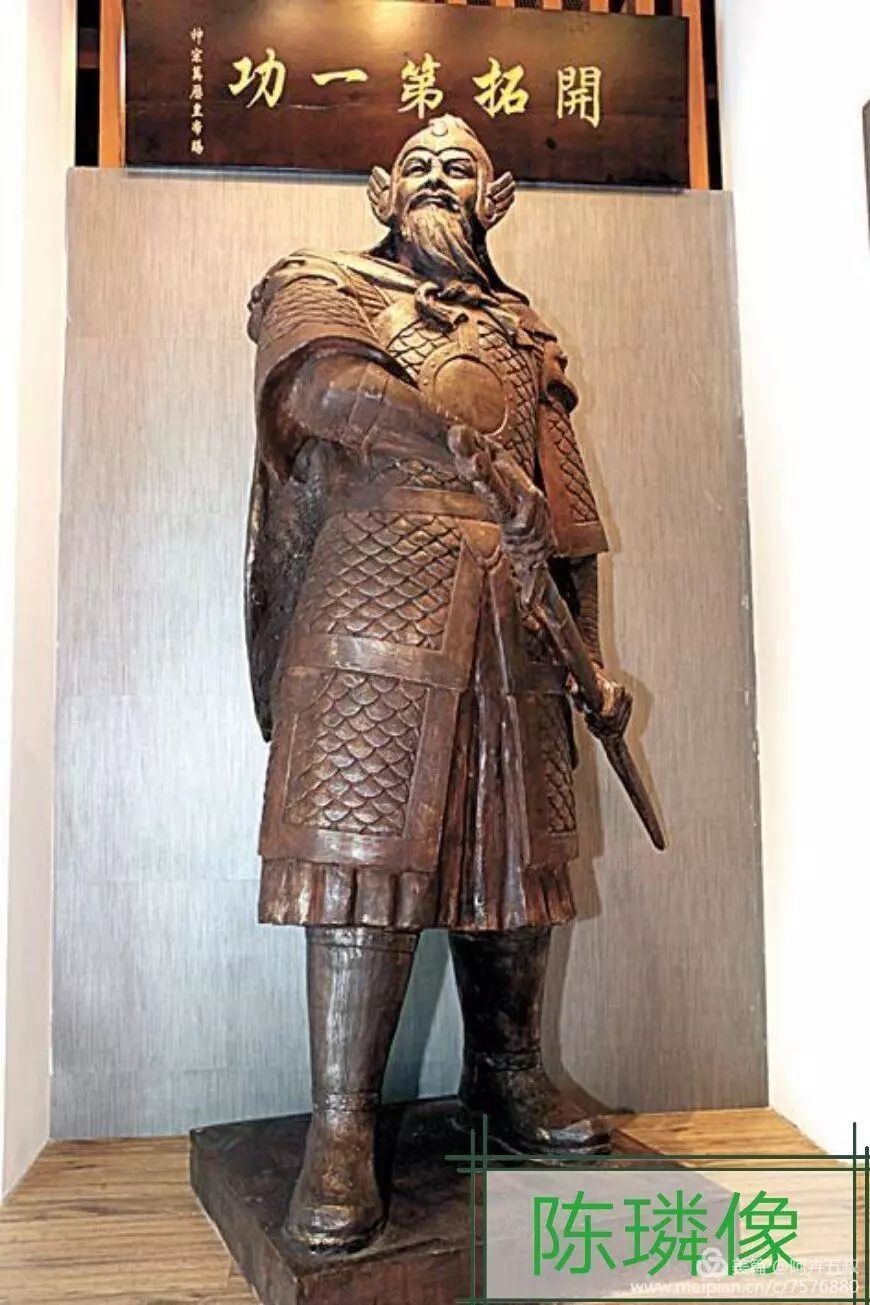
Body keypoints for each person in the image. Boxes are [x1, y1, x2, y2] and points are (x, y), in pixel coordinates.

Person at [245, 115, 630, 1254]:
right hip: (373, 599)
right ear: (380, 190)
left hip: (517, 618)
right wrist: (466, 451)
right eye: (415, 164)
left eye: (459, 167)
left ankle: (508, 1072)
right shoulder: (324, 285)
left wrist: (595, 660)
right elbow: (321, 392)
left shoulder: (522, 336)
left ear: (494, 198)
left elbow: (568, 522)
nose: (433, 178)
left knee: (519, 856)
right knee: (362, 860)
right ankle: (342, 1126)